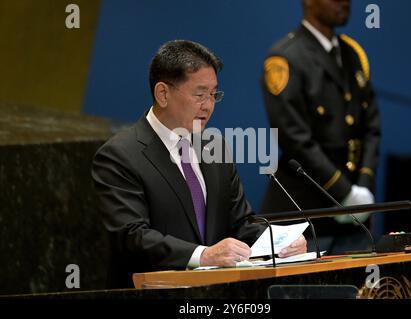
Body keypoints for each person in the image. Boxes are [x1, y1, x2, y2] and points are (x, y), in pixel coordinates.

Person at [92, 40, 307, 288]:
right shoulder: (119, 155)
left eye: (214, 94)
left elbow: (241, 222)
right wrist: (202, 256)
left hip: (217, 295)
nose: (208, 105)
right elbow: (132, 236)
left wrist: (278, 242)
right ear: (163, 93)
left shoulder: (214, 147)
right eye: (199, 94)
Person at [261, 0, 380, 254]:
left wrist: (364, 187)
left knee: (360, 291)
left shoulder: (352, 54)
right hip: (305, 217)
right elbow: (294, 138)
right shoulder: (285, 57)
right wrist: (343, 193)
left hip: (356, 218)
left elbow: (371, 127)